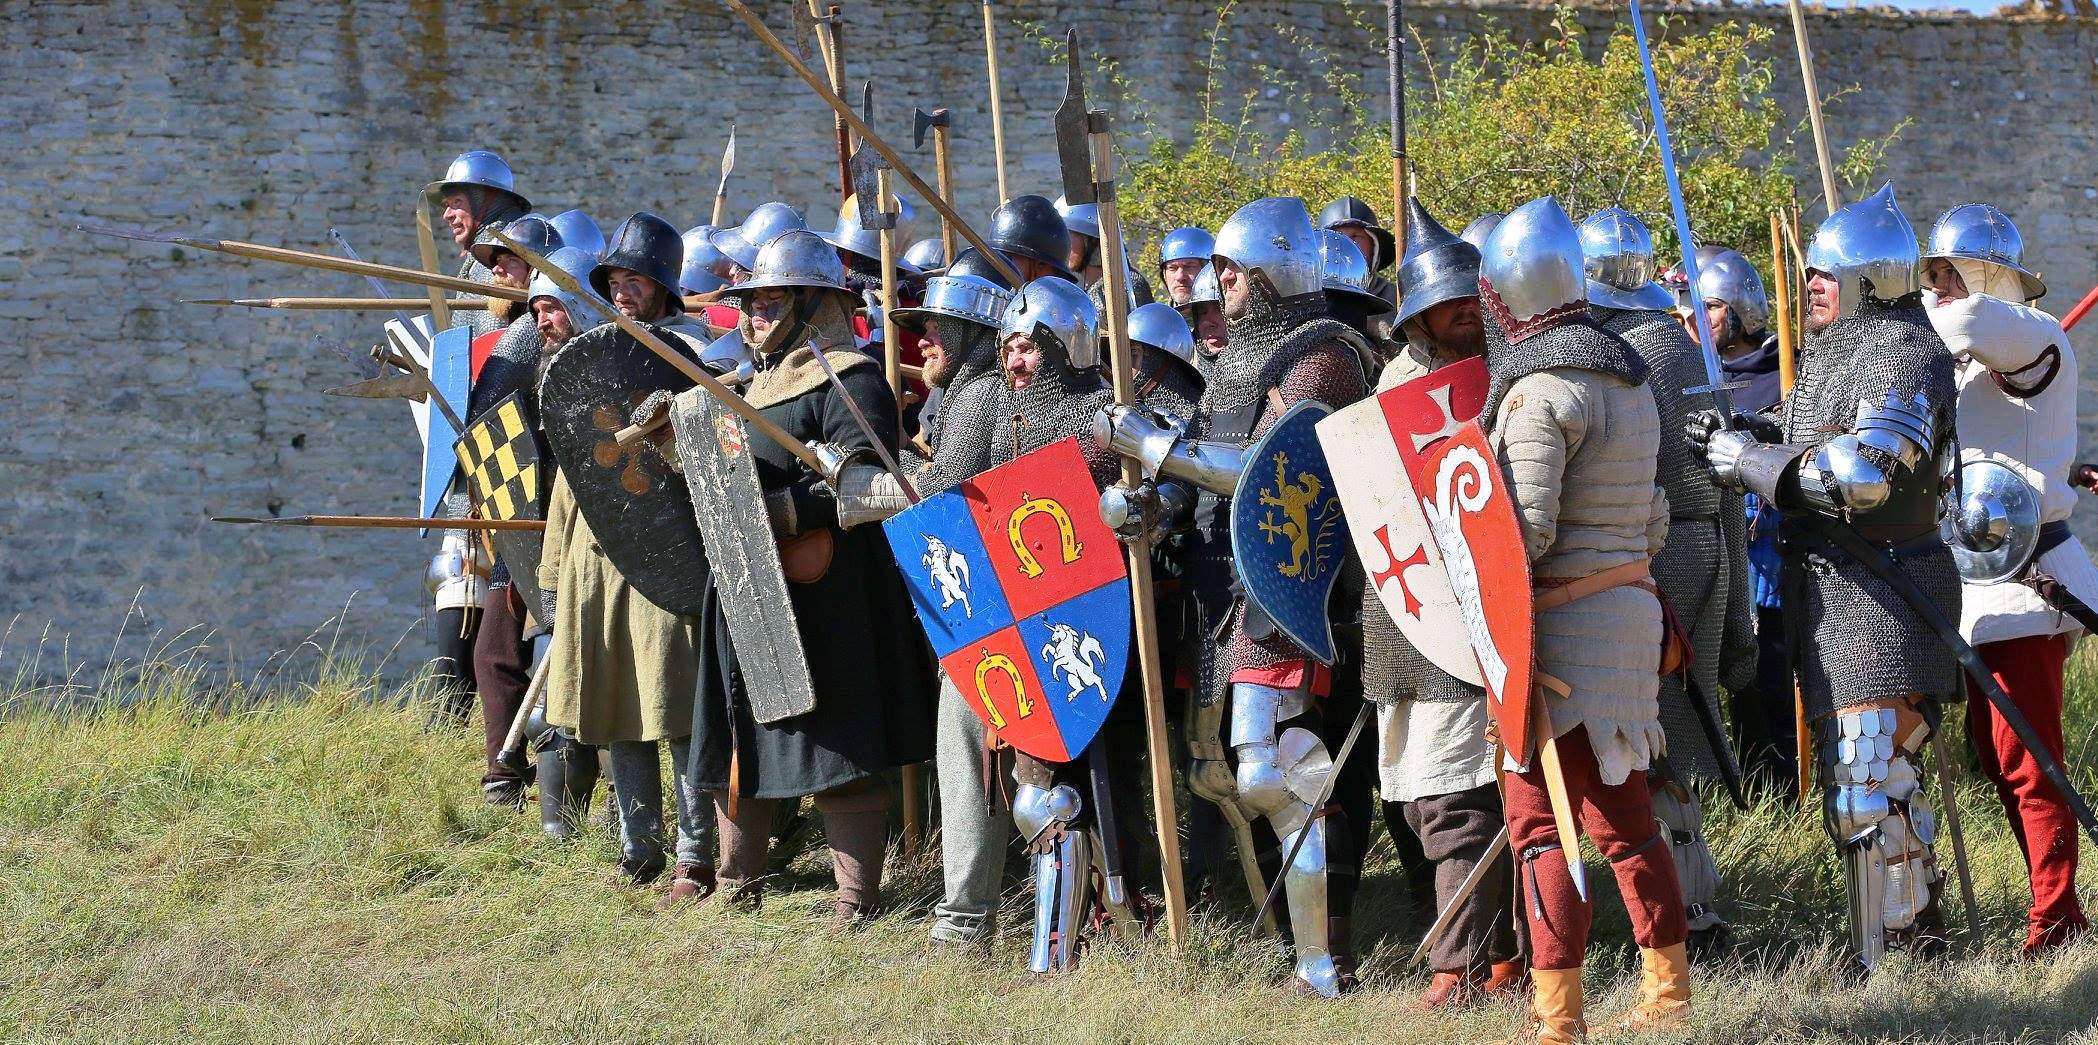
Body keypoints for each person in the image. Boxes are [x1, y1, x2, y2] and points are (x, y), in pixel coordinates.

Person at [1096, 197, 1373, 997]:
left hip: (1287, 588)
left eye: (1232, 270)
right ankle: (1288, 936)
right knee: (1222, 773)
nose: (1219, 283)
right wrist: (1152, 502)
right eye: (1217, 270)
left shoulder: (1323, 355)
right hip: (1220, 590)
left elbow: (1265, 468)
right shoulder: (1235, 361)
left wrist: (1156, 446)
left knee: (1273, 772)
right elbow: (1202, 472)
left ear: (1272, 268)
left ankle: (1320, 963)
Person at [1689, 183, 1959, 969]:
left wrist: (1749, 460)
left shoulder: (1905, 353)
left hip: (1887, 591)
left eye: (1826, 274)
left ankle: (1898, 950)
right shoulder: (1838, 351)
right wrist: (1753, 430)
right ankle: (1897, 942)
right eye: (1810, 271)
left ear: (1871, 280)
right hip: (1839, 591)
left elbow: (1862, 478)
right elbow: (1810, 432)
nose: (1811, 284)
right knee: (1864, 782)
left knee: (1872, 781)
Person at [1480, 197, 1690, 1041]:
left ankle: (1557, 1021)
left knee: (1541, 827)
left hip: (1561, 639)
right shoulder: (1628, 381)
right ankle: (1667, 995)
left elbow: (1521, 534)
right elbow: (1653, 518)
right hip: (1629, 618)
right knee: (1626, 821)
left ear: (1506, 297)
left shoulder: (1539, 391)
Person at [689, 230, 936, 923]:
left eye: (771, 303)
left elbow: (874, 484)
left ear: (812, 304)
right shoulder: (748, 385)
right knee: (743, 735)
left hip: (827, 592)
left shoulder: (851, 379)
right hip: (748, 582)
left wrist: (786, 507)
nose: (754, 316)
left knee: (838, 744)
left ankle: (855, 897)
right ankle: (738, 881)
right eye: (751, 303)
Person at [1359, 197, 1523, 1010]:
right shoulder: (1398, 384)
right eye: (1442, 301)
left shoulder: (1510, 372)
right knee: (1441, 795)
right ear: (1416, 316)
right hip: (1421, 615)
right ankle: (1498, 958)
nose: (1460, 311)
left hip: (1492, 607)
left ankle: (1465, 969)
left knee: (1467, 798)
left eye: (1469, 296)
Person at [1579, 207, 1753, 958]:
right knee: (1669, 733)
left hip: (1652, 553)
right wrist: (1735, 601)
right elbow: (1728, 488)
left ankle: (1686, 915)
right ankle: (1692, 906)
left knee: (1651, 738)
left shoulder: (1621, 354)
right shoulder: (1684, 344)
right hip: (1704, 543)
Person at [1923, 202, 2093, 957]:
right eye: (1932, 275)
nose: (1937, 288)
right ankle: (2056, 905)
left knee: (2031, 760)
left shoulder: (2034, 333)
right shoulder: (1971, 352)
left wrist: (1895, 318)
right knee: (1998, 758)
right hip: (1976, 577)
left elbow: (1965, 321)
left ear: (1985, 276)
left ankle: (2055, 921)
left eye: (1947, 273)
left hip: (2028, 581)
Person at [536, 221, 717, 896]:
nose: (622, 293)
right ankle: (638, 846)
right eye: (614, 283)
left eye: (634, 280)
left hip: (668, 556)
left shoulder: (694, 359)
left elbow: (716, 465)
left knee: (677, 706)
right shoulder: (591, 359)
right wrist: (552, 572)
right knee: (616, 704)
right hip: (596, 557)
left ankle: (695, 853)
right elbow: (574, 472)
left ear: (663, 287)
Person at [888, 248, 1019, 950]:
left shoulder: (983, 394)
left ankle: (966, 922)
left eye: (939, 328)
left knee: (971, 760)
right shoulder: (962, 396)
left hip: (995, 611)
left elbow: (940, 494)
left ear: (974, 333)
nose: (923, 342)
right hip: (974, 602)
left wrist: (876, 471)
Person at [460, 212, 563, 807]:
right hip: (519, 510)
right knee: (495, 648)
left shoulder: (533, 333)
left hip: (561, 514)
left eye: (507, 263)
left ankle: (572, 786)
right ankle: (503, 771)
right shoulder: (511, 334)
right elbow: (486, 420)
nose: (495, 273)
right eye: (493, 264)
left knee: (556, 648)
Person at [1698, 246, 1795, 792]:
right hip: (1721, 554)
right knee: (1732, 680)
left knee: (1774, 682)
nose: (1702, 318)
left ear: (1740, 309)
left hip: (1774, 559)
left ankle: (1784, 794)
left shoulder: (1785, 371)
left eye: (1712, 306)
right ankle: (1746, 789)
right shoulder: (1695, 373)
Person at [520, 245, 608, 841]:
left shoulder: (613, 368)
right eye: (536, 312)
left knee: (614, 693)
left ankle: (627, 821)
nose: (543, 322)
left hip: (613, 549)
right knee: (548, 697)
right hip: (560, 539)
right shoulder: (546, 371)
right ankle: (559, 825)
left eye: (553, 308)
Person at [1055, 196, 1154, 307]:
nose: (1062, 244)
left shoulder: (1125, 287)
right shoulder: (1088, 292)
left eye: (1067, 235)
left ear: (1092, 240)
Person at [1156, 226, 1214, 306]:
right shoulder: (1159, 314)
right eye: (1172, 268)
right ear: (1164, 276)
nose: (1180, 277)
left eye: (1189, 267)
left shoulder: (1229, 313)